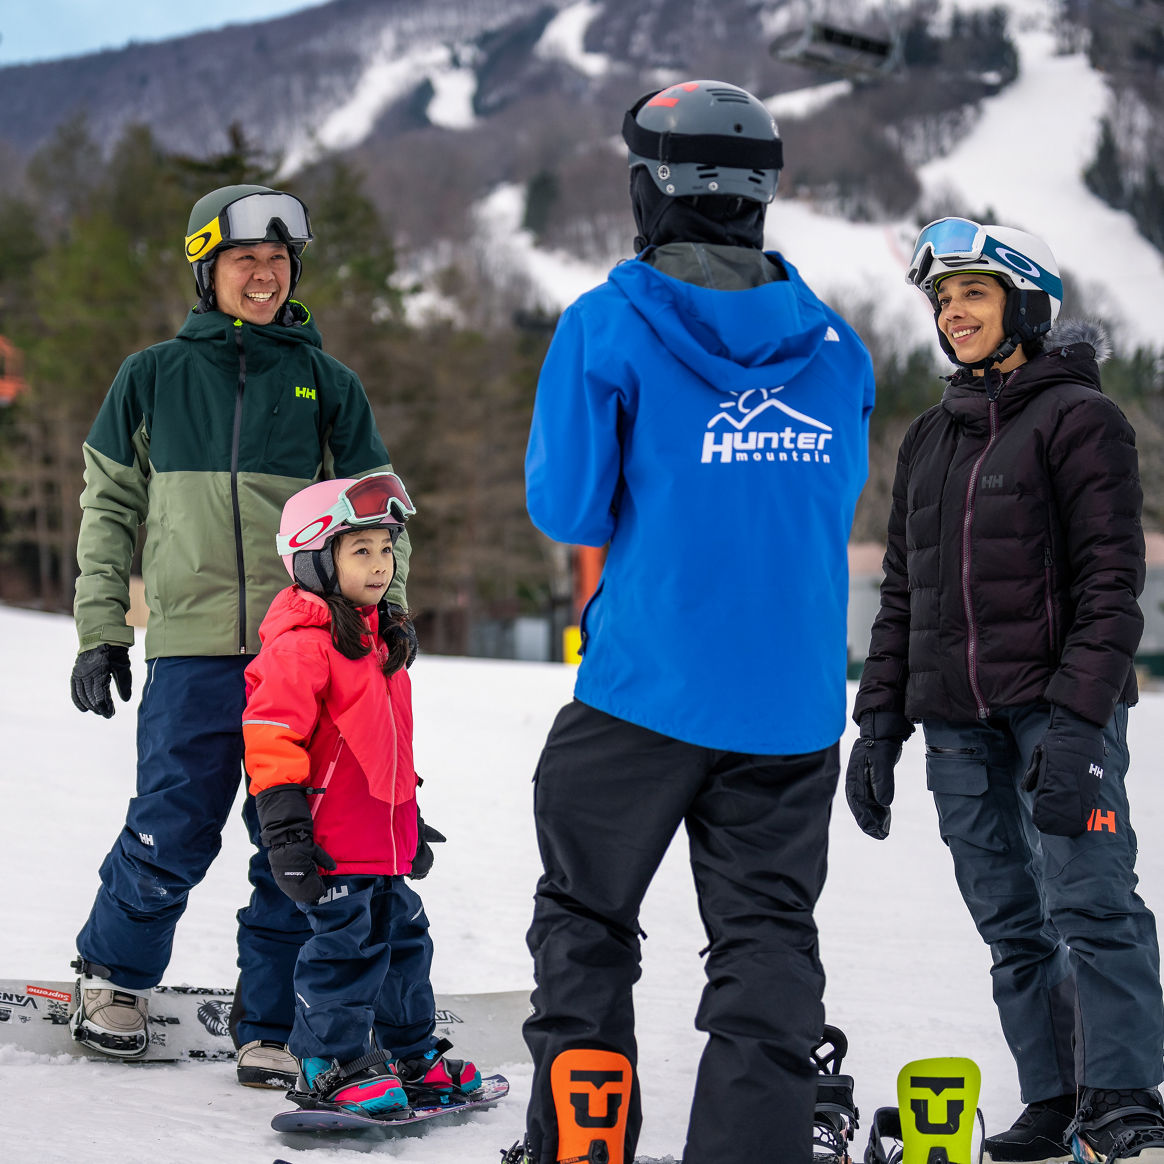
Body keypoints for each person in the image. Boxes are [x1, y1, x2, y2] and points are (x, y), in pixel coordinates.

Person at [505, 80, 875, 1164]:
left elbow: (569, 508)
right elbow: (828, 502)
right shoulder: (838, 347)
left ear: (649, 192)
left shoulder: (606, 326)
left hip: (644, 691)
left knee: (586, 916)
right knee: (768, 941)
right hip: (793, 708)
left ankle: (582, 1144)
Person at [67, 184, 417, 1088]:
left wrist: (388, 611)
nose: (263, 275)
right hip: (190, 647)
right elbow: (109, 509)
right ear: (207, 271)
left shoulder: (327, 383)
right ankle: (113, 979)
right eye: (243, 260)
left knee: (295, 841)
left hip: (303, 649)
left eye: (277, 260)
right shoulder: (151, 376)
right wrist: (102, 628)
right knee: (172, 824)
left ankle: (271, 1023)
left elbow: (380, 509)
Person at [846, 217, 1164, 1164]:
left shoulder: (1081, 420)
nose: (953, 313)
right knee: (1011, 922)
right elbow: (904, 594)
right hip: (956, 725)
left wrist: (1079, 725)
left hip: (1057, 713)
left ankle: (1125, 1097)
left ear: (1027, 304)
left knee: (1092, 903)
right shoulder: (929, 438)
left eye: (973, 294)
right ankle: (1056, 1097)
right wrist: (878, 726)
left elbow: (1112, 586)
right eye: (943, 300)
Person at [240, 472, 480, 1115]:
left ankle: (408, 1054)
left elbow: (384, 750)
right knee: (343, 953)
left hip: (381, 841)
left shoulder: (380, 642)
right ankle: (330, 1066)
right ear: (316, 560)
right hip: (332, 843)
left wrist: (408, 820)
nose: (380, 565)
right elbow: (270, 739)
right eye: (361, 551)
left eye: (386, 549)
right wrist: (285, 832)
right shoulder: (301, 647)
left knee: (404, 946)